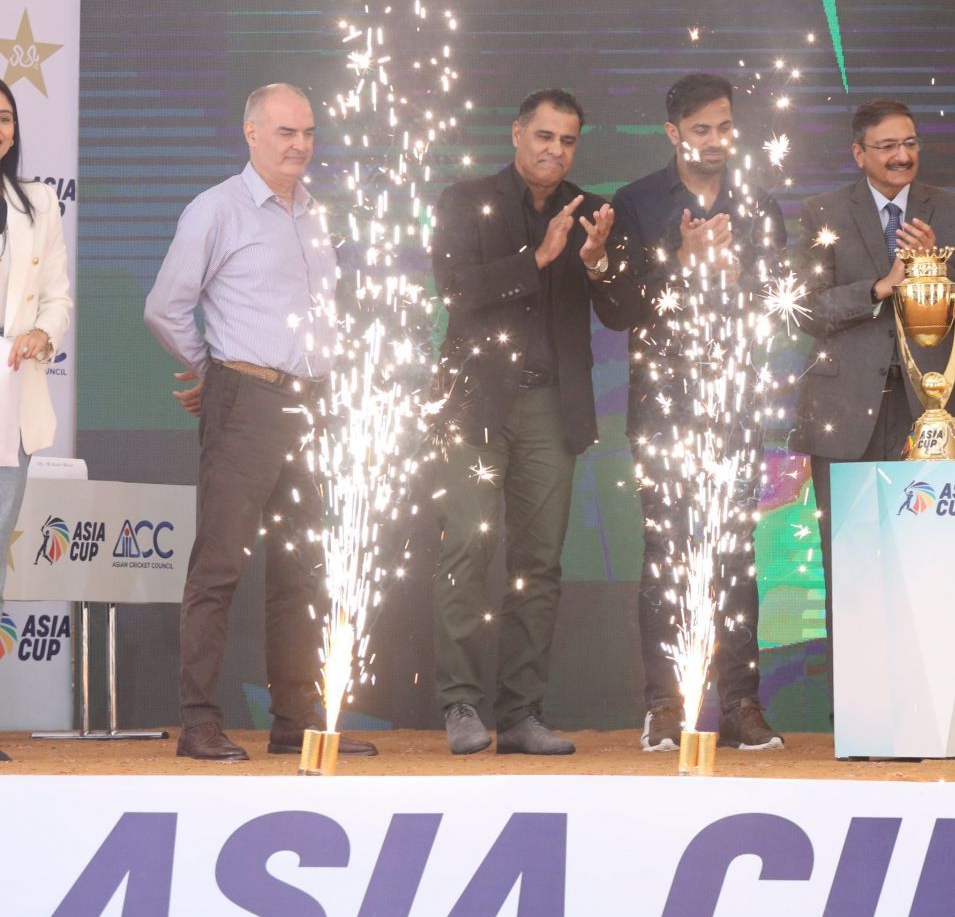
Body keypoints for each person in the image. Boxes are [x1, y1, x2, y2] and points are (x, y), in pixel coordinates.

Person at [145, 83, 374, 762]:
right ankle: (200, 721)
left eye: (307, 131)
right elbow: (164, 306)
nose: (300, 144)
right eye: (285, 132)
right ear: (251, 134)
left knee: (301, 572)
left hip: (312, 405)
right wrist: (213, 373)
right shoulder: (216, 210)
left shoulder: (313, 213)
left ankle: (293, 719)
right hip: (246, 401)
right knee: (218, 566)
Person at [429, 89, 639, 756]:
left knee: (539, 563)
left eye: (568, 140)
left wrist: (598, 260)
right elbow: (456, 291)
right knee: (466, 548)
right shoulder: (466, 202)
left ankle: (521, 715)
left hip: (554, 407)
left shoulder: (593, 213)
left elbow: (626, 311)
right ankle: (460, 705)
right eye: (543, 136)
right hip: (475, 406)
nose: (554, 150)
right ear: (517, 133)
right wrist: (540, 258)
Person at [610, 73, 785, 754]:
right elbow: (620, 307)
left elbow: (782, 302)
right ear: (673, 132)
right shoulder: (638, 203)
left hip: (736, 404)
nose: (715, 141)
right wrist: (681, 265)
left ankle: (741, 703)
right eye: (701, 129)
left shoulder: (758, 204)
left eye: (724, 127)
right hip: (663, 407)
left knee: (735, 556)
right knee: (668, 557)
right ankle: (665, 704)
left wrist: (745, 282)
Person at [792, 99, 955, 667]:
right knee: (852, 561)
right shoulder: (821, 213)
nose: (902, 155)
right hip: (847, 412)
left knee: (934, 556)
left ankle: (936, 702)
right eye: (887, 146)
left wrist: (938, 267)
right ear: (859, 154)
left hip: (932, 414)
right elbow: (801, 310)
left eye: (909, 143)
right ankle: (860, 713)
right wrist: (880, 288)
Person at [0, 79, 74, 765]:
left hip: (9, 404)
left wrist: (41, 337)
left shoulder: (38, 203)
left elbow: (57, 295)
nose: (0, 128)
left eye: (5, 118)